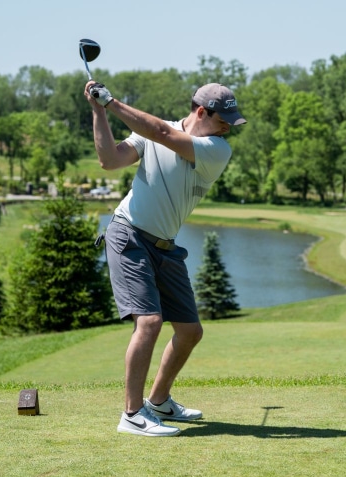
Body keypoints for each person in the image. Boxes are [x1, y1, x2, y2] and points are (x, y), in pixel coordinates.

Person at [85, 80, 246, 437]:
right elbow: (110, 160)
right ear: (202, 112)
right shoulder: (154, 134)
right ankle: (132, 414)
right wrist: (100, 111)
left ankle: (157, 402)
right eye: (224, 119)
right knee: (150, 322)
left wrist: (110, 101)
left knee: (190, 331)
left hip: (165, 246)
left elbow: (160, 132)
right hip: (129, 233)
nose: (229, 127)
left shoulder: (216, 149)